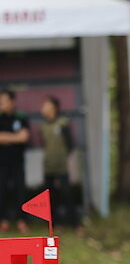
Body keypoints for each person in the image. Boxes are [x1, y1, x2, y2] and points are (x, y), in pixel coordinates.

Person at [39, 96, 79, 229]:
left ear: (54, 107)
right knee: (50, 197)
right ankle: (55, 224)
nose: (43, 108)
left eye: (46, 105)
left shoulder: (63, 123)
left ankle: (75, 223)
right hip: (48, 167)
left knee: (67, 194)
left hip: (62, 167)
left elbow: (70, 145)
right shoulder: (43, 126)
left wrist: (62, 158)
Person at [0, 89, 30, 233]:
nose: (1, 104)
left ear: (12, 102)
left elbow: (24, 137)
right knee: (2, 191)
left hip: (18, 161)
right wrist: (14, 137)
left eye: (4, 101)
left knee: (20, 191)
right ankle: (3, 221)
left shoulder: (21, 117)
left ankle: (21, 221)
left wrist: (6, 137)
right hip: (2, 162)